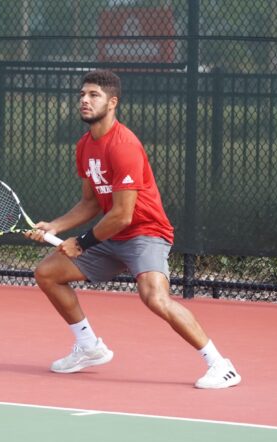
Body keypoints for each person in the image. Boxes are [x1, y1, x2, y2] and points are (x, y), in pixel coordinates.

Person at [24, 69, 241, 389]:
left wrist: (81, 242)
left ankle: (220, 365)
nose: (84, 100)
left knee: (154, 297)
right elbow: (92, 203)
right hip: (111, 234)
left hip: (145, 233)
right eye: (82, 94)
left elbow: (124, 215)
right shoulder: (85, 146)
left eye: (93, 95)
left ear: (113, 102)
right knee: (47, 273)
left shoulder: (124, 146)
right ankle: (89, 347)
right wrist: (54, 225)